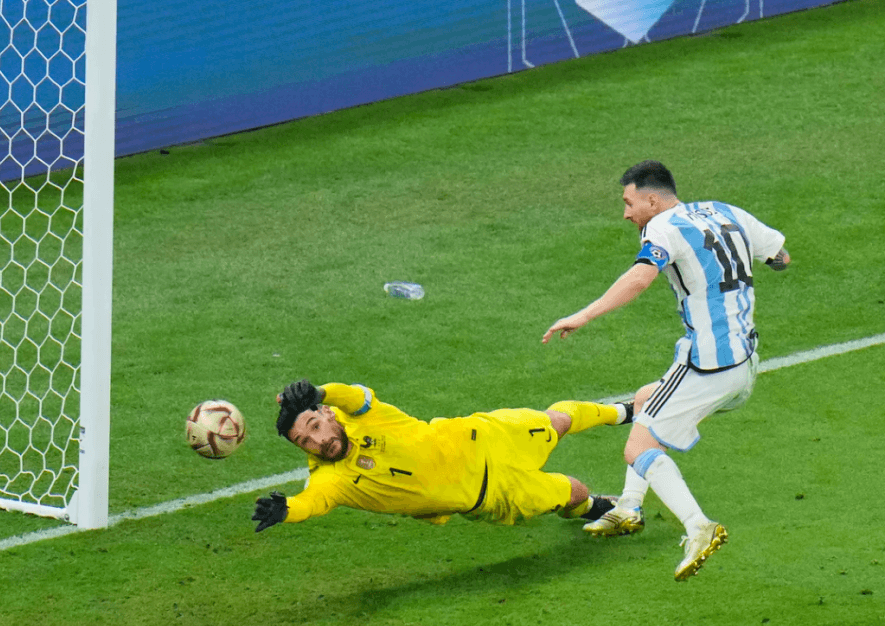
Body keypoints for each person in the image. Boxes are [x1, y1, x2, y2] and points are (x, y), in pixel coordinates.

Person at [542, 160, 790, 581]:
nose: (626, 213)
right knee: (645, 400)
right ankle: (628, 509)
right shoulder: (726, 211)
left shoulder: (661, 228)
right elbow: (780, 257)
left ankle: (698, 526)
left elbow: (639, 279)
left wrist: (582, 316)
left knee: (637, 449)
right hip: (745, 362)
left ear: (652, 200)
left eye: (629, 202)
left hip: (707, 364)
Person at [251, 380, 635, 533]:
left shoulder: (365, 416)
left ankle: (623, 412)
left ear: (327, 414)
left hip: (483, 437)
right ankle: (592, 510)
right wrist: (287, 510)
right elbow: (311, 501)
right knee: (573, 491)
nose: (316, 442)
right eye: (304, 441)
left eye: (314, 427)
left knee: (559, 419)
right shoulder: (332, 479)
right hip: (491, 492)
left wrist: (320, 392)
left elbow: (355, 396)